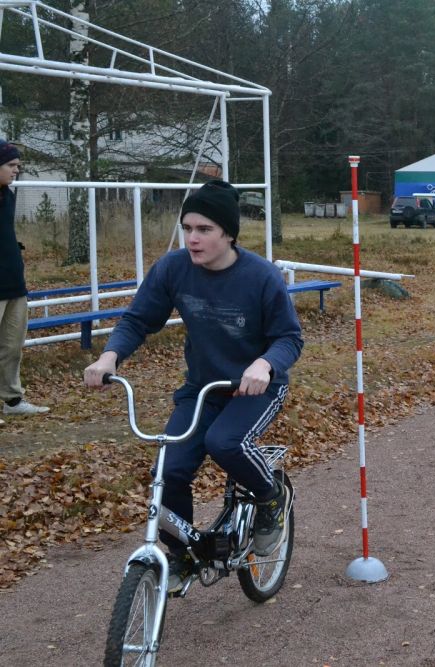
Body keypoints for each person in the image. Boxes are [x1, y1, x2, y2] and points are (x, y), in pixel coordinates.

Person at [83, 180, 303, 591]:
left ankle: (270, 495)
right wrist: (109, 356)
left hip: (257, 389)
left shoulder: (261, 276)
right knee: (168, 473)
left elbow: (289, 338)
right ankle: (181, 555)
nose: (192, 239)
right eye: (187, 228)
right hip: (202, 389)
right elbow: (138, 320)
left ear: (229, 233)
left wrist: (264, 364)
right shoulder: (174, 268)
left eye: (204, 229)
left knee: (225, 443)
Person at [0, 140, 50, 422]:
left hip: (13, 283)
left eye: (17, 165)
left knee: (12, 345)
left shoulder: (8, 195)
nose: (16, 170)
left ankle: (12, 400)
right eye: (11, 165)